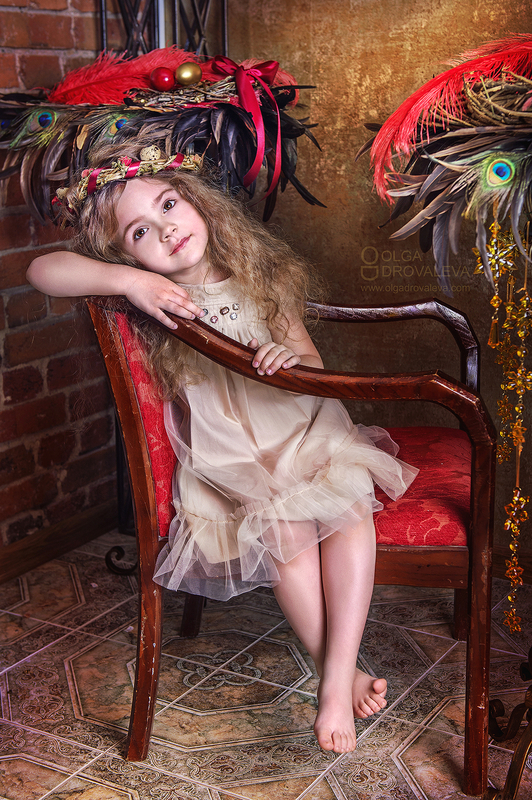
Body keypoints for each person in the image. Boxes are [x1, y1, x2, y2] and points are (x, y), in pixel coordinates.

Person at [27, 142, 418, 755]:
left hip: (302, 426)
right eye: (139, 232)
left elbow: (311, 364)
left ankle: (338, 673)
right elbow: (42, 270)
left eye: (169, 205)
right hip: (230, 454)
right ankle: (337, 677)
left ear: (198, 202)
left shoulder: (263, 276)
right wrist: (131, 282)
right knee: (284, 529)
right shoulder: (155, 297)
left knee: (348, 511)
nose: (166, 229)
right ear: (125, 254)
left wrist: (290, 358)